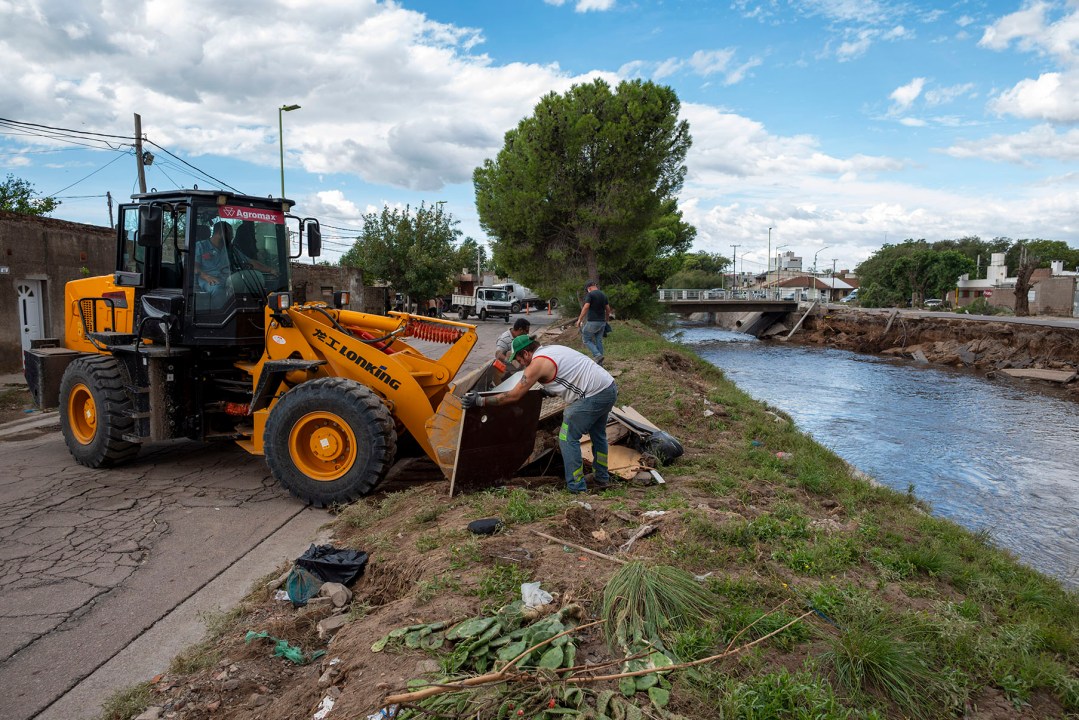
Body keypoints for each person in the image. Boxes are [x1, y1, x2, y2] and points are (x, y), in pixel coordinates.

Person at [463, 335, 617, 493]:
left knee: (567, 438)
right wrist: (550, 390)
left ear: (526, 353)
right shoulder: (552, 350)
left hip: (593, 396)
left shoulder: (536, 364)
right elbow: (569, 373)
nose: (521, 364)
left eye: (519, 359)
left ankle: (577, 487)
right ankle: (601, 478)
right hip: (608, 387)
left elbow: (513, 396)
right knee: (598, 436)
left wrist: (480, 401)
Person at [195, 222, 272, 304]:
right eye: (230, 234)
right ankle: (220, 311)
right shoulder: (200, 246)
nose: (232, 237)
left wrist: (270, 270)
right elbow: (195, 267)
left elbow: (249, 262)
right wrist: (206, 276)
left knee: (251, 285)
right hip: (209, 280)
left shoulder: (230, 249)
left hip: (229, 280)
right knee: (218, 290)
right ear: (220, 233)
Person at [576, 279, 611, 365]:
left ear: (589, 288)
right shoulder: (603, 295)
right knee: (599, 340)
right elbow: (608, 309)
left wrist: (580, 319)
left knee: (586, 338)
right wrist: (606, 319)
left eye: (587, 290)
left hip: (593, 321)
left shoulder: (590, 294)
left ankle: (597, 355)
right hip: (602, 322)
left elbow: (586, 307)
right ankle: (600, 364)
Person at [492, 317, 531, 383]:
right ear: (520, 329)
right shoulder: (504, 339)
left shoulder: (520, 338)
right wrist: (510, 361)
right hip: (508, 375)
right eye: (526, 331)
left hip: (520, 372)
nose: (527, 334)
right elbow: (498, 354)